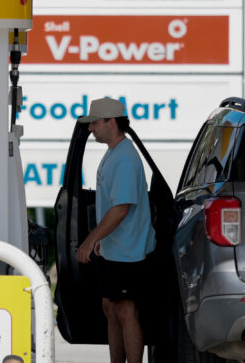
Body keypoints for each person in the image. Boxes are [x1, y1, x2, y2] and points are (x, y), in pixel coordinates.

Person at [76, 97, 155, 363]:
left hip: (129, 250)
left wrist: (90, 240)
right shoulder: (115, 152)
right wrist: (103, 240)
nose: (90, 129)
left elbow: (121, 208)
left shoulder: (124, 158)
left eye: (94, 123)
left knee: (125, 311)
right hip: (115, 248)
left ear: (111, 122)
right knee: (110, 307)